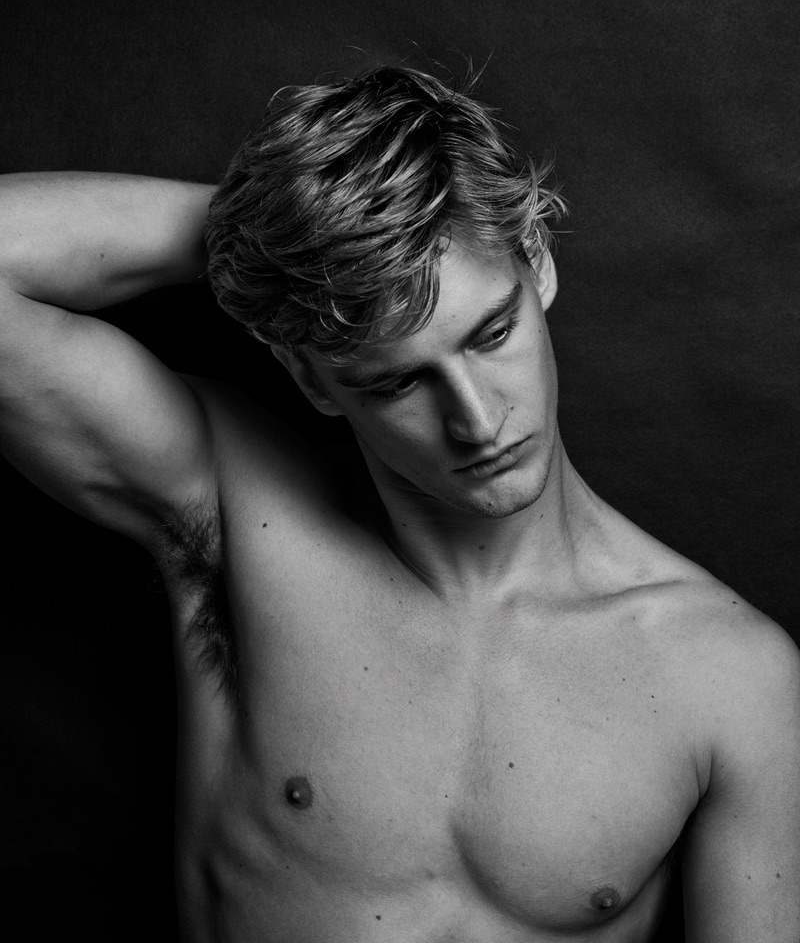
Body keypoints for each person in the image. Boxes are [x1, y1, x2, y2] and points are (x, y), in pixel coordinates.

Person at [0, 66, 797, 942]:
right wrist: (279, 235)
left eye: (493, 333)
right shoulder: (238, 517)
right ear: (314, 380)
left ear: (536, 262)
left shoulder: (731, 678)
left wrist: (407, 221)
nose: (477, 419)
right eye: (397, 382)